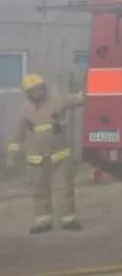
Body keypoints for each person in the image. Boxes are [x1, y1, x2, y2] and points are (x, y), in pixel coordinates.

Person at [8, 73, 85, 234]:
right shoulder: (24, 110)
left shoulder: (57, 100)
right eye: (35, 90)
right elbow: (17, 134)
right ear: (28, 93)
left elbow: (78, 99)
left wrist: (84, 88)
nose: (39, 92)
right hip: (36, 158)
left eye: (41, 88)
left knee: (64, 188)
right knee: (39, 190)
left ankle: (68, 219)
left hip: (60, 155)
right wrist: (13, 157)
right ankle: (43, 220)